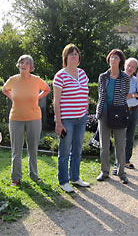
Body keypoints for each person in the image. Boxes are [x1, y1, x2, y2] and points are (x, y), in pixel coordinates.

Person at [2, 55, 50, 186]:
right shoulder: (13, 80)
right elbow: (4, 90)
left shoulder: (36, 80)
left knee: (33, 149)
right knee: (16, 150)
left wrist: (38, 97)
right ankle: (15, 178)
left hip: (34, 118)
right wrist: (12, 97)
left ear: (31, 67)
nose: (24, 65)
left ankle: (34, 175)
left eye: (27, 63)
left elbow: (47, 89)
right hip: (16, 118)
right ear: (18, 65)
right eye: (22, 62)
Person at [53, 43, 90, 193]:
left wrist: (86, 108)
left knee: (77, 150)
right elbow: (56, 100)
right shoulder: (60, 76)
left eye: (76, 54)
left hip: (81, 118)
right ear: (65, 57)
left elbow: (85, 93)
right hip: (67, 120)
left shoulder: (82, 73)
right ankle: (64, 181)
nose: (74, 56)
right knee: (64, 152)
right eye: (71, 54)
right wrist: (58, 122)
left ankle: (75, 177)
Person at [96, 49, 130, 184]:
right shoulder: (102, 77)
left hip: (119, 112)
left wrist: (117, 107)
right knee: (104, 145)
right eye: (111, 57)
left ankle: (121, 172)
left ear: (120, 61)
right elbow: (100, 94)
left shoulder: (125, 78)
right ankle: (104, 171)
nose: (113, 59)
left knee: (120, 145)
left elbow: (125, 94)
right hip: (104, 113)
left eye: (116, 57)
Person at [112, 57, 138, 173]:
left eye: (133, 67)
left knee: (130, 138)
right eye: (129, 66)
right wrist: (133, 94)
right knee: (120, 138)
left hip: (134, 110)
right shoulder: (118, 77)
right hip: (121, 110)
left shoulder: (136, 80)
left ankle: (126, 160)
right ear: (124, 65)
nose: (131, 68)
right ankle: (117, 163)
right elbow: (121, 96)